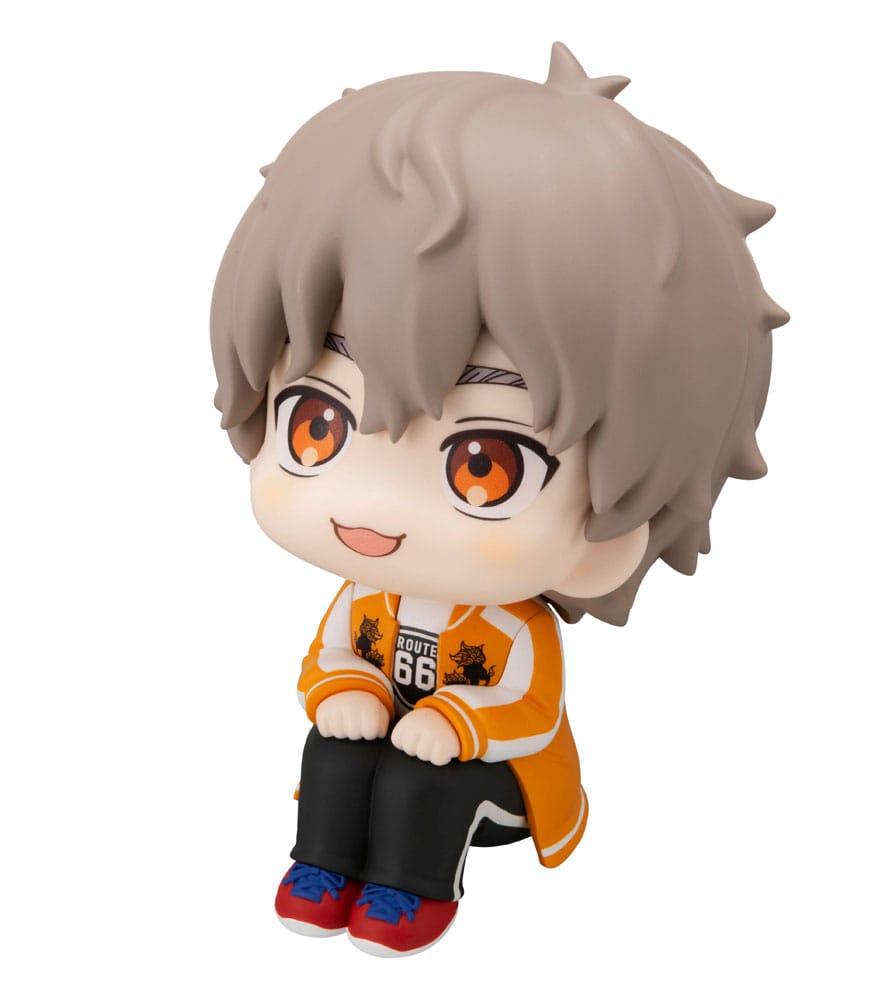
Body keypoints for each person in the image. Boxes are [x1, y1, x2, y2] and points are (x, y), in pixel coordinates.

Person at [210, 42, 787, 957]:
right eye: (318, 424)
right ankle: (322, 865)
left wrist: (453, 722)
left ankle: (410, 890)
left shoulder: (514, 629)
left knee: (422, 786)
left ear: (612, 526)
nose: (372, 502)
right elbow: (327, 661)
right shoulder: (367, 599)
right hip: (389, 739)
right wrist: (346, 691)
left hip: (495, 774)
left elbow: (530, 709)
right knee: (332, 750)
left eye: (485, 464)